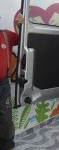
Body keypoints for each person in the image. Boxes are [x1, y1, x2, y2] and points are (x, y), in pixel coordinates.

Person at [0, 13, 23, 150]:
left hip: (2, 86)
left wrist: (21, 27)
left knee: (6, 120)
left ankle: (7, 146)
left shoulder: (6, 35)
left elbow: (23, 40)